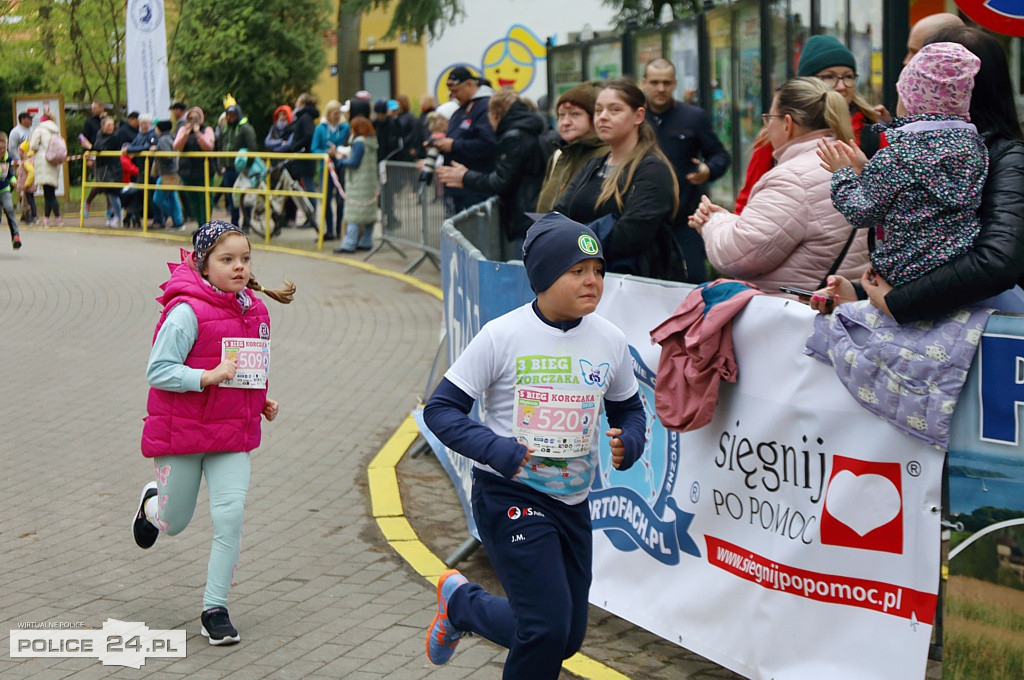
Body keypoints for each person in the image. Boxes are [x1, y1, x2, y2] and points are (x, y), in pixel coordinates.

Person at [421, 212, 646, 677]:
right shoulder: (502, 336)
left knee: (564, 637)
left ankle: (462, 605)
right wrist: (494, 449)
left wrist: (633, 439)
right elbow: (439, 410)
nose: (593, 281)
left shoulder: (610, 341)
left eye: (598, 271)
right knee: (544, 629)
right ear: (543, 276)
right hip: (510, 495)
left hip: (572, 502)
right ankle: (464, 605)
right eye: (577, 271)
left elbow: (629, 410)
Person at [131, 220, 294, 645]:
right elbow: (158, 370)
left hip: (230, 436)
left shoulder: (255, 310)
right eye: (227, 260)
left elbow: (246, 372)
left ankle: (214, 608)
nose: (239, 267)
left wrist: (261, 401)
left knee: (230, 516)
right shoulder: (185, 312)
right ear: (204, 264)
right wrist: (206, 377)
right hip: (182, 433)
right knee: (174, 522)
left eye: (244, 259)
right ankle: (152, 505)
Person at [812, 26, 1024, 321]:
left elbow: (994, 262)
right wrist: (864, 292)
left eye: (915, 56)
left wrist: (896, 302)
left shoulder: (1006, 156)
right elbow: (921, 244)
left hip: (979, 330)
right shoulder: (970, 150)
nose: (904, 62)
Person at [818, 42, 985, 290]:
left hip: (906, 275)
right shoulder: (973, 146)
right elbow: (919, 193)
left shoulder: (897, 155)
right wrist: (869, 170)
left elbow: (861, 212)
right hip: (958, 272)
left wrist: (843, 173)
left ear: (910, 100)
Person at [688, 77, 869, 293]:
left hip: (794, 316)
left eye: (769, 117)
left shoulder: (793, 180)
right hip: (835, 307)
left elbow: (738, 256)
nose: (767, 125)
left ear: (788, 124)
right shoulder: (846, 162)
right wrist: (732, 220)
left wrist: (712, 222)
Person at [553, 77, 686, 281]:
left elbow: (629, 237)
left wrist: (570, 243)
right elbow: (558, 215)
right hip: (585, 281)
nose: (603, 117)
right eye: (598, 110)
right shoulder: (594, 165)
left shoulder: (652, 170)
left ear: (638, 116)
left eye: (614, 110)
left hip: (634, 288)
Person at [734, 35, 883, 214]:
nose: (842, 86)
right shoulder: (778, 133)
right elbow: (748, 202)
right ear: (808, 83)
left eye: (848, 76)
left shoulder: (873, 134)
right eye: (829, 77)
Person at [642, 58, 731, 283]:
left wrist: (707, 170)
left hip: (686, 220)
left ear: (675, 84)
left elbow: (720, 155)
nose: (660, 88)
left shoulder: (693, 117)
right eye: (654, 82)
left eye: (666, 82)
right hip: (644, 221)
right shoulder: (636, 118)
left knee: (692, 283)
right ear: (644, 83)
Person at [436, 88, 546, 259]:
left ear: (495, 115)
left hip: (524, 217)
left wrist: (465, 177)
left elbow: (501, 181)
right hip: (531, 214)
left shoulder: (514, 136)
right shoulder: (530, 127)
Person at [535, 82, 608, 213]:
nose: (566, 122)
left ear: (594, 118)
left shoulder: (607, 155)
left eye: (575, 114)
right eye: (561, 115)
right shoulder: (559, 155)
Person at [434, 67, 497, 216]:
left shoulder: (483, 107)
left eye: (457, 91)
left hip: (475, 188)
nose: (454, 96)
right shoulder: (461, 110)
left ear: (469, 85)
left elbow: (488, 144)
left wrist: (453, 145)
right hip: (458, 187)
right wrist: (440, 145)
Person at [332, 116, 379, 253]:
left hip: (358, 184)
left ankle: (349, 244)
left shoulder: (359, 142)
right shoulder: (372, 141)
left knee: (354, 214)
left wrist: (340, 161)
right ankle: (366, 241)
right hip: (369, 183)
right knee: (368, 214)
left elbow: (354, 163)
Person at [312, 100, 350, 240]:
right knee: (326, 199)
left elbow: (347, 144)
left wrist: (339, 151)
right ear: (328, 113)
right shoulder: (320, 128)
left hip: (341, 166)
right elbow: (314, 148)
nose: (337, 116)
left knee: (340, 199)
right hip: (326, 168)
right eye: (335, 113)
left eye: (339, 113)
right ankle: (329, 230)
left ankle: (340, 229)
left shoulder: (345, 127)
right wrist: (326, 152)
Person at [280, 93, 320, 225]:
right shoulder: (303, 117)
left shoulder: (305, 117)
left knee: (309, 188)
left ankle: (312, 216)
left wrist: (296, 146)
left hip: (305, 158)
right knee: (304, 188)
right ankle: (308, 216)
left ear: (302, 104)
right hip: (302, 159)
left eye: (298, 101)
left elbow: (308, 135)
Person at [216, 104, 257, 230]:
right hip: (227, 169)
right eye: (229, 115)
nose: (231, 117)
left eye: (233, 114)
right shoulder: (224, 129)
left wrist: (248, 166)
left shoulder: (246, 128)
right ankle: (234, 224)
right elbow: (220, 147)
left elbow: (252, 147)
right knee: (231, 197)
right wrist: (221, 165)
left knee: (245, 197)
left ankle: (246, 223)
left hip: (242, 169)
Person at [173, 106, 216, 225]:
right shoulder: (183, 130)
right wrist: (186, 134)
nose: (193, 121)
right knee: (193, 200)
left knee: (205, 199)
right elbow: (177, 147)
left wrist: (197, 133)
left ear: (201, 118)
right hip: (188, 171)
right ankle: (200, 225)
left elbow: (208, 147)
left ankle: (206, 225)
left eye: (196, 118)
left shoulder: (207, 130)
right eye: (191, 118)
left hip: (204, 171)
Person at [28, 113, 64, 227]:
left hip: (43, 162)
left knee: (49, 194)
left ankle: (57, 218)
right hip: (53, 162)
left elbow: (33, 145)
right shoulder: (55, 130)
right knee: (49, 192)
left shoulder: (40, 129)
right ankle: (46, 218)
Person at [93, 116, 125, 228]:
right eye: (108, 125)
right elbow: (97, 146)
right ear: (102, 126)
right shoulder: (99, 134)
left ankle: (119, 217)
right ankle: (113, 216)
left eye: (112, 125)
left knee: (114, 192)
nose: (111, 127)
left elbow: (102, 147)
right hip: (103, 167)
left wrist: (92, 146)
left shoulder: (116, 135)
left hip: (114, 167)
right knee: (109, 192)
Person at [152, 120, 184, 230]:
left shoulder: (163, 140)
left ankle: (176, 217)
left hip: (167, 173)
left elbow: (168, 156)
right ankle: (178, 221)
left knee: (158, 198)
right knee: (172, 197)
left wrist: (156, 151)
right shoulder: (172, 137)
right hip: (173, 172)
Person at [9, 112, 36, 225]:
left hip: (28, 163)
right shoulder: (16, 132)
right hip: (19, 164)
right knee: (13, 187)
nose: (31, 121)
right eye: (29, 119)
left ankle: (26, 213)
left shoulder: (30, 131)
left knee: (26, 188)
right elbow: (12, 148)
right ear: (23, 120)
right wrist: (19, 161)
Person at [82, 99, 106, 217]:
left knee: (110, 183)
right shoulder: (89, 121)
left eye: (94, 107)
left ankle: (110, 210)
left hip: (107, 154)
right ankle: (88, 202)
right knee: (100, 182)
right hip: (94, 155)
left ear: (102, 107)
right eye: (92, 107)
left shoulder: (107, 121)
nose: (92, 110)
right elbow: (83, 138)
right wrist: (88, 157)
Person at [0, 132, 22, 249]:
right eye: (0, 149)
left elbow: (9, 173)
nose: (2, 151)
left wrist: (13, 179)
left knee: (9, 209)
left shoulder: (7, 158)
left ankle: (16, 236)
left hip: (4, 188)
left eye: (4, 148)